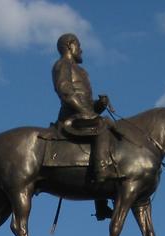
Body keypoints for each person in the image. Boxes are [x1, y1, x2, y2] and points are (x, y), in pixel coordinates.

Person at [52, 33, 113, 220]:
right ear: (70, 45)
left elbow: (86, 104)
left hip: (82, 114)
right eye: (78, 45)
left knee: (110, 129)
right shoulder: (62, 65)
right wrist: (85, 112)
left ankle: (101, 202)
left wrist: (99, 106)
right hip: (71, 117)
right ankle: (102, 175)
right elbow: (64, 91)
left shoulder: (82, 71)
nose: (81, 49)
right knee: (104, 127)